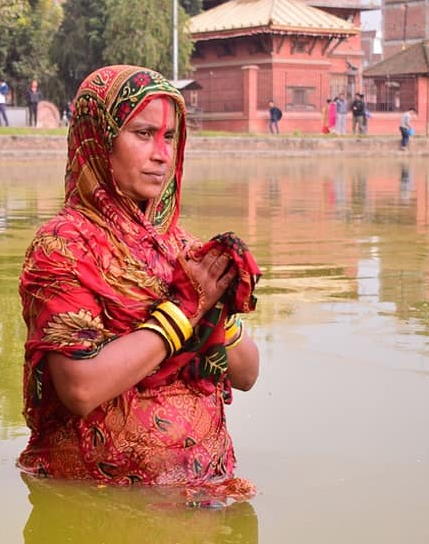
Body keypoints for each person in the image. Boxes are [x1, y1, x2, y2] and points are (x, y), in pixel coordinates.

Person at [18, 65, 261, 499]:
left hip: (205, 497)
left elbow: (246, 374)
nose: (162, 154)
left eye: (169, 138)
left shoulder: (182, 246)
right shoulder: (63, 246)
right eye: (143, 133)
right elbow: (80, 388)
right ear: (99, 139)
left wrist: (219, 304)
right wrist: (184, 311)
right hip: (99, 504)